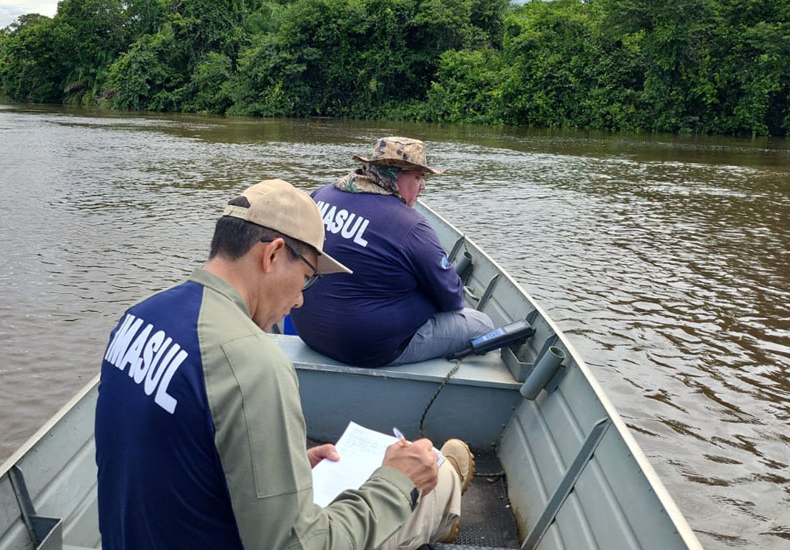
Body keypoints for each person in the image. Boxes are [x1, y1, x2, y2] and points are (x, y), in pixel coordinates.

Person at [95, 178, 475, 550]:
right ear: (273, 254)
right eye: (307, 279)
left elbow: (172, 461)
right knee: (427, 480)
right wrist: (397, 480)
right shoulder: (251, 361)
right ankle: (446, 496)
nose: (299, 302)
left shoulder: (138, 319)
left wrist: (280, 465)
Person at [291, 137, 494, 366]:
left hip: (307, 331)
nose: (423, 186)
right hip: (368, 348)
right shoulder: (411, 226)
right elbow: (453, 298)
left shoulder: (321, 195)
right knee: (482, 324)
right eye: (418, 177)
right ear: (395, 176)